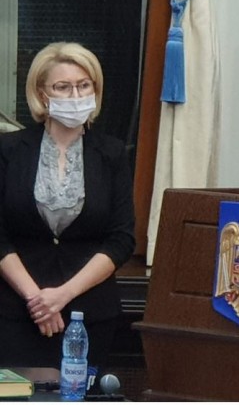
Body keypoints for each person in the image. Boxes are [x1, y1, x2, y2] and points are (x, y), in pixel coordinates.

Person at [0, 42, 135, 371]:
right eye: (63, 87)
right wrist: (37, 299)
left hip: (89, 315)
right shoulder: (9, 150)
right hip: (16, 311)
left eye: (84, 85)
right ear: (42, 94)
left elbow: (121, 239)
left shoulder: (112, 153)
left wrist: (61, 295)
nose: (75, 95)